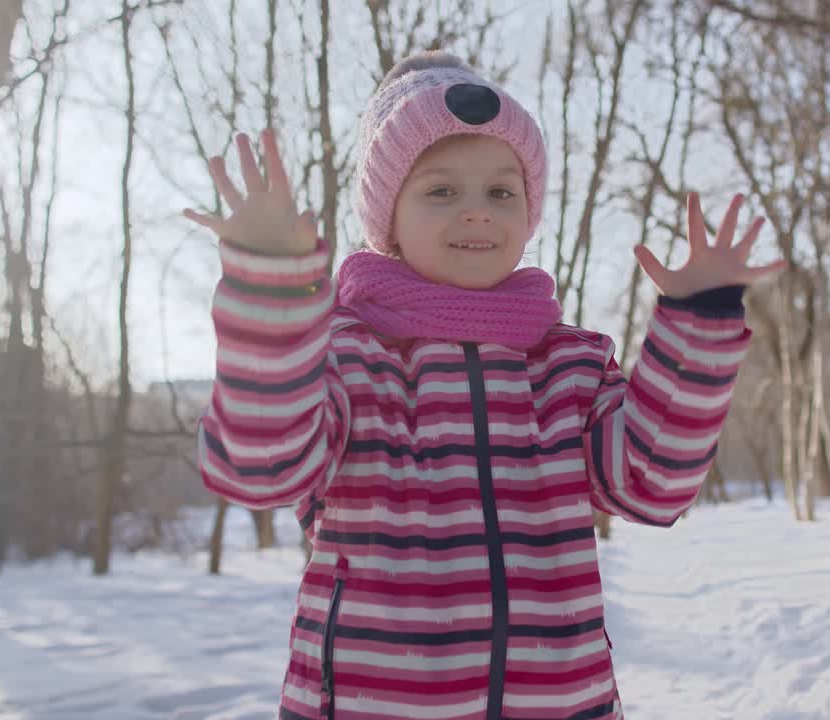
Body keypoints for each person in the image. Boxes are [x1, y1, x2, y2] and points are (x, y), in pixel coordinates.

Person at [184, 51, 783, 720]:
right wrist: (269, 292)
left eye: (502, 191)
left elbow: (651, 485)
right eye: (442, 191)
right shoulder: (347, 356)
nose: (478, 213)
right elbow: (259, 470)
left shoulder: (569, 364)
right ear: (386, 217)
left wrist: (697, 328)